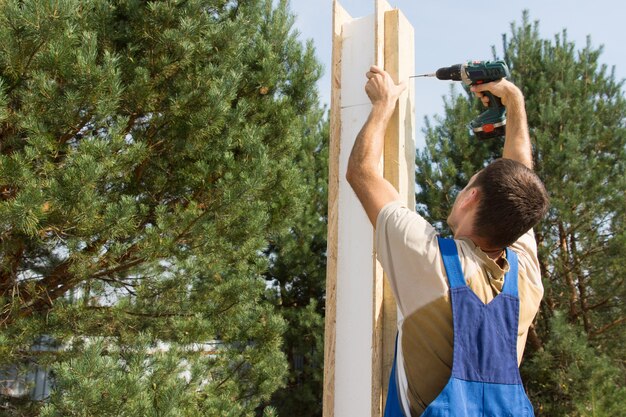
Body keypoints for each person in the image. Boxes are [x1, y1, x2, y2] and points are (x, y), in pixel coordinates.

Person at [346, 65, 549, 416]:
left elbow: (362, 173)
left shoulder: (430, 262)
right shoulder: (526, 275)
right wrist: (514, 101)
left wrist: (382, 104)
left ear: (470, 198)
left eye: (469, 183)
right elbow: (520, 180)